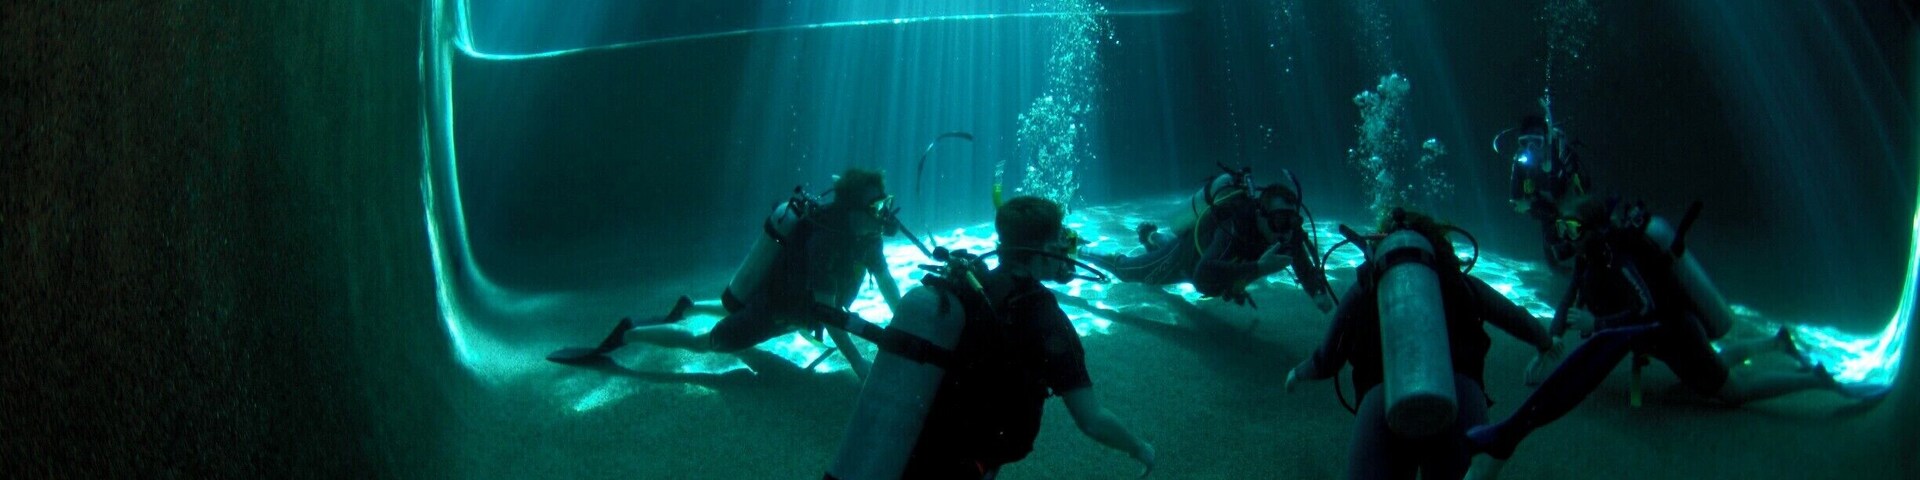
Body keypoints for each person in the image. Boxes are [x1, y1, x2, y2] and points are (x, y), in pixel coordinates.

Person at [1461, 195, 1883, 479]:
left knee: (1733, 392)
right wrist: (1549, 342)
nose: (1566, 236)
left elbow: (1647, 308)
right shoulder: (1591, 257)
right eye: (1563, 228)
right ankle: (1774, 345)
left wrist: (1596, 326)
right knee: (1703, 374)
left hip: (1676, 334)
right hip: (1664, 341)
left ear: (1591, 228)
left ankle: (1815, 379)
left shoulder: (1617, 256)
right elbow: (1569, 298)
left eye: (1572, 227)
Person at [828, 196, 1155, 479]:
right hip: (967, 460)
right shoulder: (1043, 318)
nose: (1066, 248)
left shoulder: (970, 289)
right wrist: (1138, 447)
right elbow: (1092, 419)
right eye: (1060, 239)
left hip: (923, 438)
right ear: (1044, 250)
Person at [547, 168, 904, 379]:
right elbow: (830, 314)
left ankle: (689, 306)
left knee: (737, 307)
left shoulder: (866, 237)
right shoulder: (827, 241)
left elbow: (886, 281)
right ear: (853, 210)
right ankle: (629, 332)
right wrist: (861, 368)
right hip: (774, 309)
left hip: (792, 309)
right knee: (706, 343)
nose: (884, 214)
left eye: (885, 203)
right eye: (877, 206)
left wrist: (904, 323)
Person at [1283, 208, 1559, 480]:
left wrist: (1298, 373)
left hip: (1382, 398)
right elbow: (1515, 318)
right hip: (1460, 395)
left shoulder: (1365, 289)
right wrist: (1546, 344)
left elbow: (1327, 360)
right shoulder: (1461, 284)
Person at [1086, 170, 1336, 313]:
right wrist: (1258, 268)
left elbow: (1302, 264)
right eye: (1280, 221)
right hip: (1185, 260)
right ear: (1261, 215)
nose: (1287, 231)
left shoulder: (1286, 233)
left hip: (1201, 251)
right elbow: (1202, 274)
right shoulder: (1236, 227)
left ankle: (1151, 236)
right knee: (1129, 271)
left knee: (1167, 246)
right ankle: (1083, 250)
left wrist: (1317, 293)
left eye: (1292, 221)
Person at [1504, 115, 1590, 267]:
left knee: (1580, 241)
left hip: (1573, 213)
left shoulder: (1561, 158)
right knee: (1552, 247)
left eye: (1537, 142)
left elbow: (1577, 202)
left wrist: (1531, 205)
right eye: (1525, 142)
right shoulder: (1520, 162)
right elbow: (1516, 202)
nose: (1530, 148)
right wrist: (1534, 206)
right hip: (1547, 211)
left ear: (1546, 141)